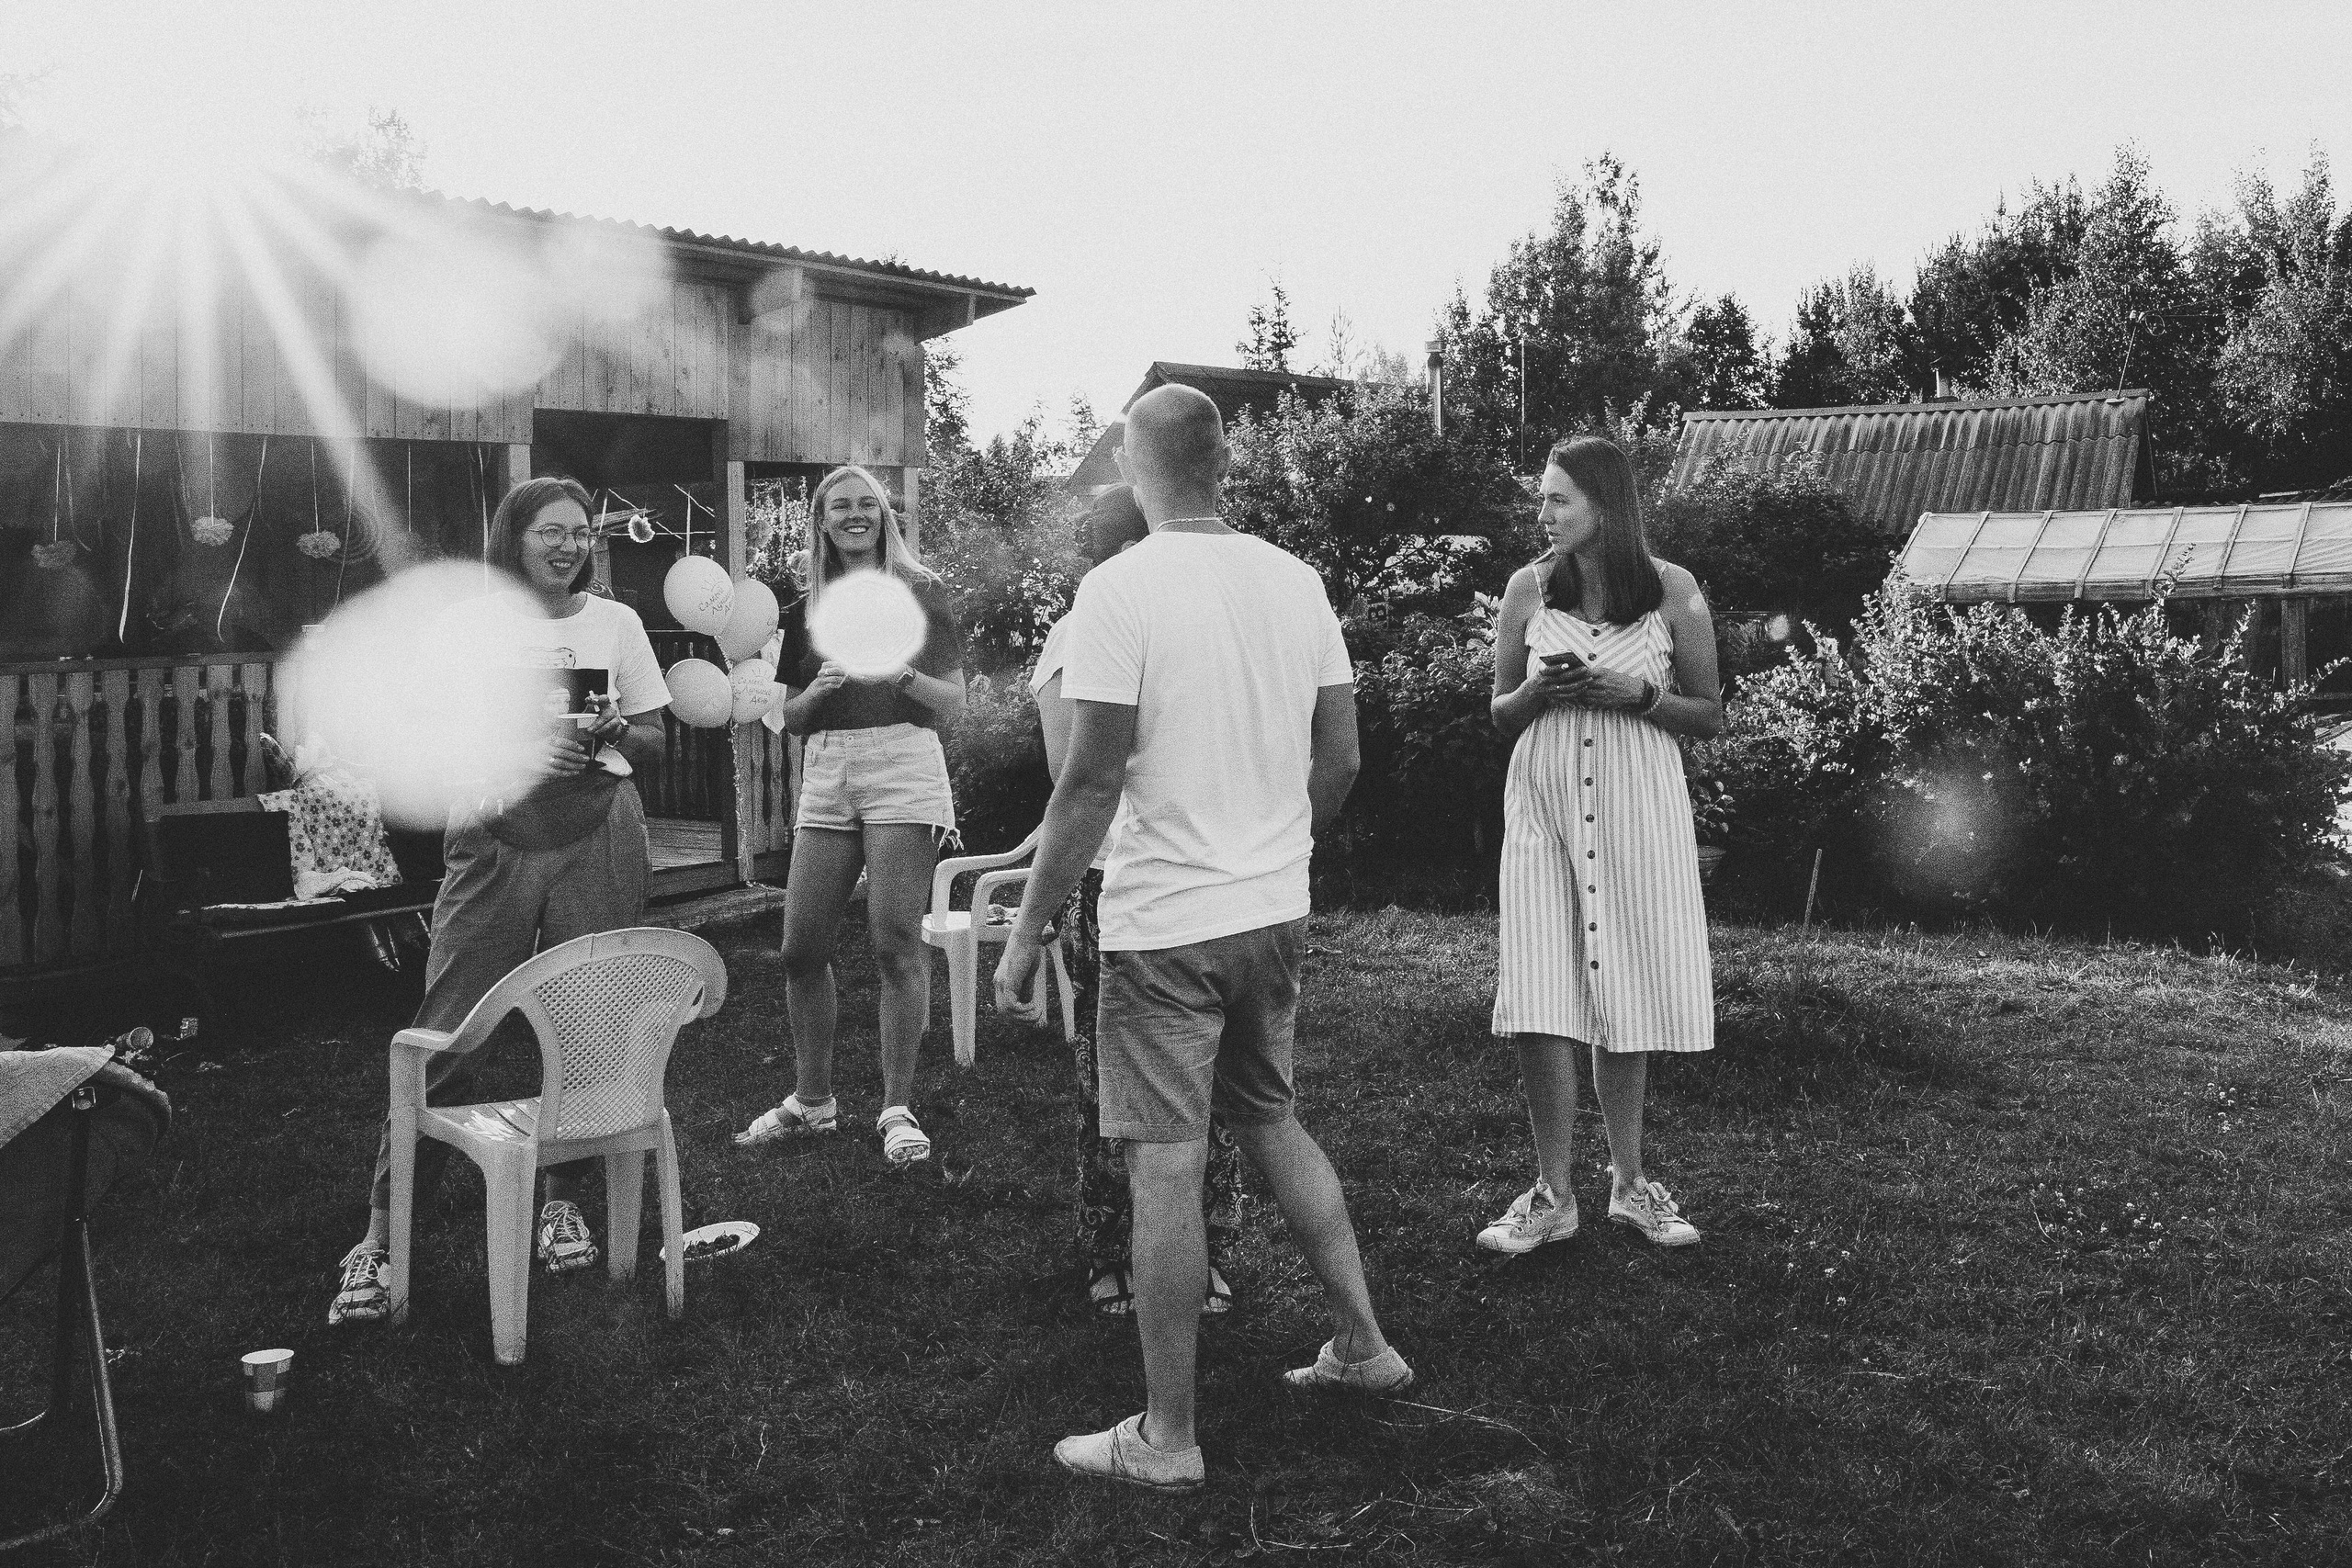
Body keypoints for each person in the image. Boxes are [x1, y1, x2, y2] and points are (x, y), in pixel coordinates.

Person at [996, 386, 1407, 1495]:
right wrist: (1275, 845)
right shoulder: (1295, 579)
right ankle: (1365, 1347)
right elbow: (1343, 756)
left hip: (1164, 924)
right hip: (1269, 908)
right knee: (1271, 1120)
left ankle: (1167, 1438)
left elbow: (1085, 782)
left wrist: (1027, 931)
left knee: (1165, 1167)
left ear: (1135, 467)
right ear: (1224, 465)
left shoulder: (1116, 590)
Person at [329, 475, 670, 1327]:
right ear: (513, 536)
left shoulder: (616, 625)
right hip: (492, 837)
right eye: (550, 530)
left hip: (601, 827)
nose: (568, 545)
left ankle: (559, 1196)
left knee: (593, 1016)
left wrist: (615, 732)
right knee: (450, 1025)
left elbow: (660, 735)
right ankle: (381, 1232)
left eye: (581, 532)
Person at [1481, 434, 1722, 1257]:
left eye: (1559, 500)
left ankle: (1630, 1184)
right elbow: (1498, 715)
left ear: (1605, 508)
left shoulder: (1672, 591)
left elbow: (1709, 711)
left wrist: (1635, 692)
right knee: (1542, 985)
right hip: (1544, 803)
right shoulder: (1526, 589)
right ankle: (1552, 1192)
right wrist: (1535, 690)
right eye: (1543, 497)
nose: (1542, 513)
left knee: (1628, 978)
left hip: (1635, 804)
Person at [1035, 484, 1244, 1317]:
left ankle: (1207, 1253)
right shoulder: (1075, 633)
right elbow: (1072, 776)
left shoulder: (1200, 618)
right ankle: (1112, 1250)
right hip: (1114, 881)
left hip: (1207, 879)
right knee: (1107, 1085)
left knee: (1217, 1082)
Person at [735, 465, 966, 1166]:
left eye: (868, 503)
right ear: (823, 521)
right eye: (842, 507)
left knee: (896, 941)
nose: (857, 515)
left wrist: (894, 671)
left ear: (884, 514)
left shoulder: (921, 591)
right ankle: (814, 1101)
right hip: (829, 769)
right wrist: (824, 685)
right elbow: (790, 717)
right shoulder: (809, 604)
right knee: (800, 948)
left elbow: (952, 700)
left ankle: (896, 1107)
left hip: (902, 762)